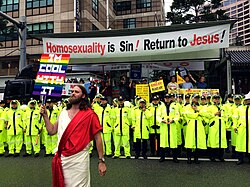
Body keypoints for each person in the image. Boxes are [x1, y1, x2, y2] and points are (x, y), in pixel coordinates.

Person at [40, 85, 106, 187]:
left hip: (80, 159)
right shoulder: (63, 113)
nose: (73, 93)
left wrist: (101, 161)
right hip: (63, 159)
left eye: (76, 92)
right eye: (72, 91)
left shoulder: (90, 115)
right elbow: (52, 130)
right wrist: (45, 116)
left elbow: (98, 138)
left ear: (83, 96)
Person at [233, 92, 250, 165]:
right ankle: (240, 159)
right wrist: (235, 126)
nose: (248, 101)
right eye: (246, 100)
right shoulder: (239, 108)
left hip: (249, 130)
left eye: (249, 100)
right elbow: (235, 118)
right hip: (241, 129)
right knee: (240, 144)